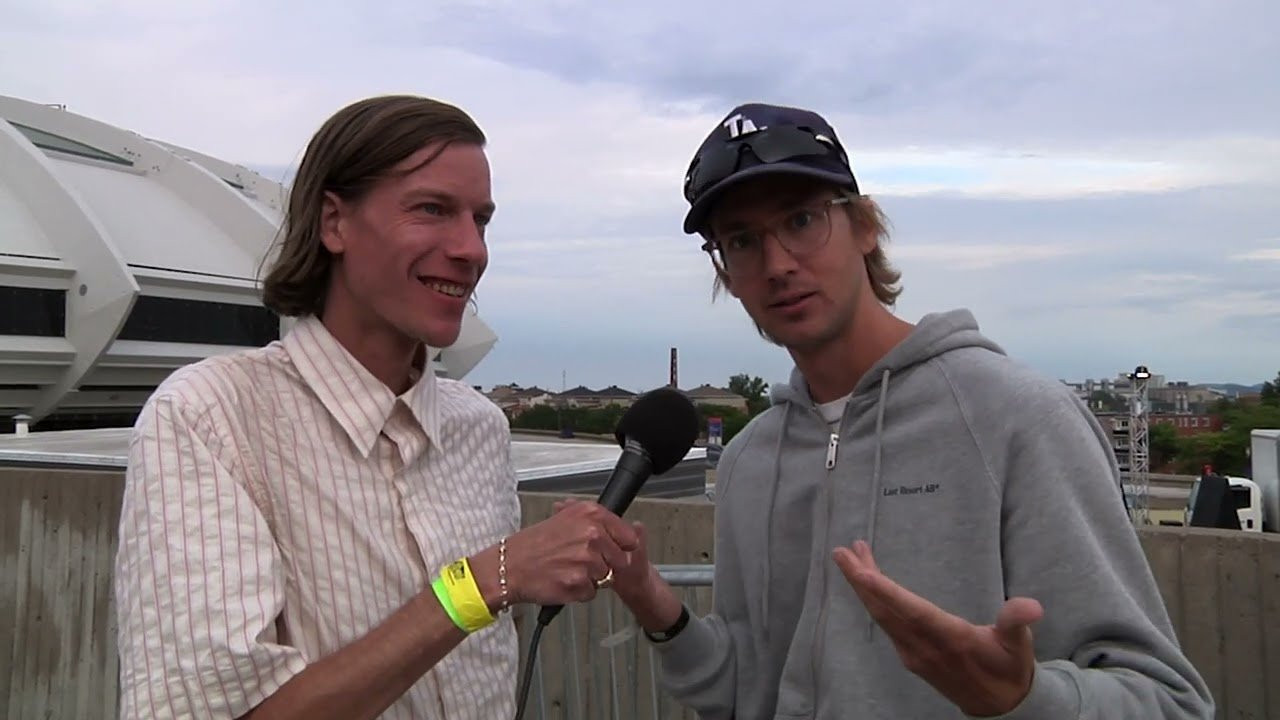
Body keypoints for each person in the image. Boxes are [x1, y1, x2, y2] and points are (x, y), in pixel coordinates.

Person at [607, 103, 1215, 718]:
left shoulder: (1018, 419)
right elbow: (744, 693)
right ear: (726, 273)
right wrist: (661, 611)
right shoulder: (747, 463)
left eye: (801, 219)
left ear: (866, 226)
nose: (778, 264)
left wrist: (1024, 699)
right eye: (742, 240)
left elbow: (1168, 702)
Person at [113, 95, 637, 720]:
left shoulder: (480, 430)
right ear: (334, 222)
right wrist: (480, 584)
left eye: (481, 220)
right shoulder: (211, 417)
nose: (472, 249)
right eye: (432, 210)